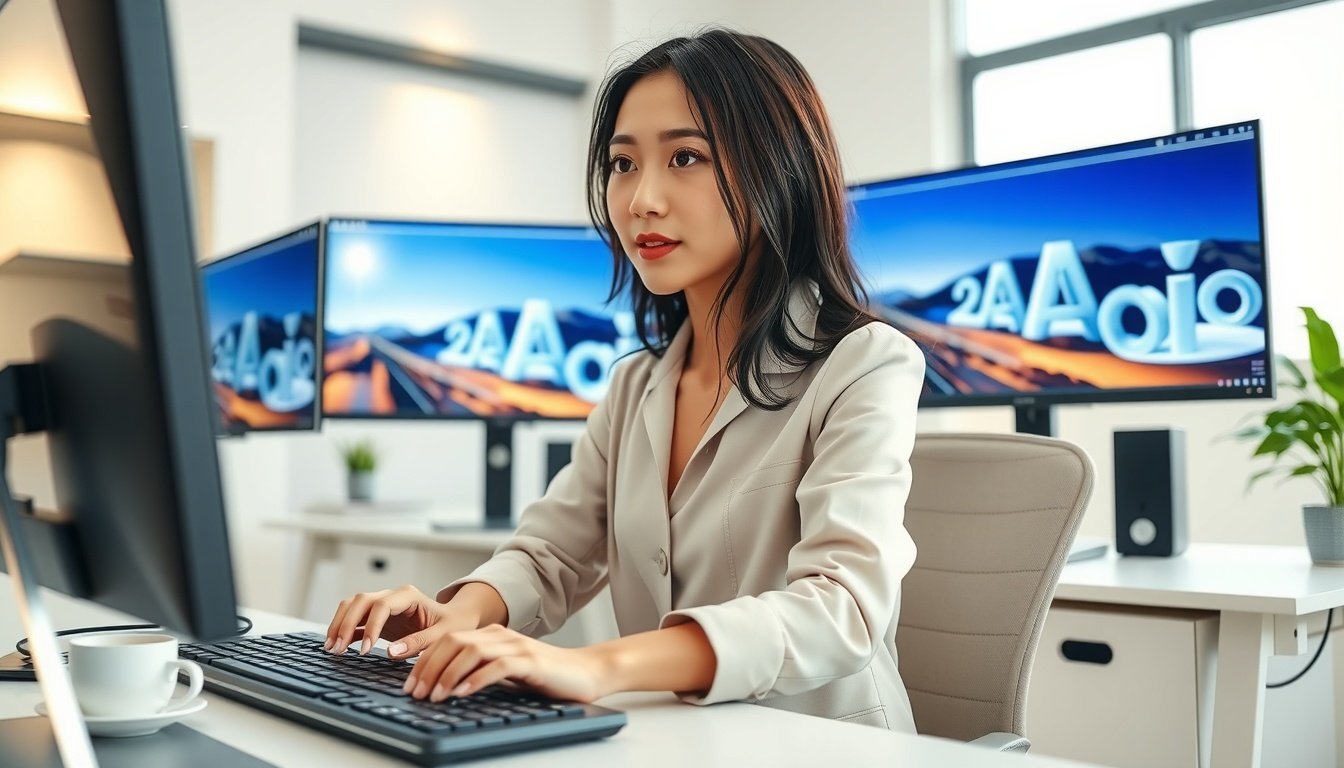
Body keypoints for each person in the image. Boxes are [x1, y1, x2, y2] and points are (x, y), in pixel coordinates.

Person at [324, 27, 925, 733]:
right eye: (621, 163)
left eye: (686, 157)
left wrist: (596, 666)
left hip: (826, 743)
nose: (642, 198)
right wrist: (458, 612)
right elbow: (551, 553)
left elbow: (843, 608)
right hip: (672, 740)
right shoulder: (637, 386)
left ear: (778, 169)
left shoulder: (865, 362)